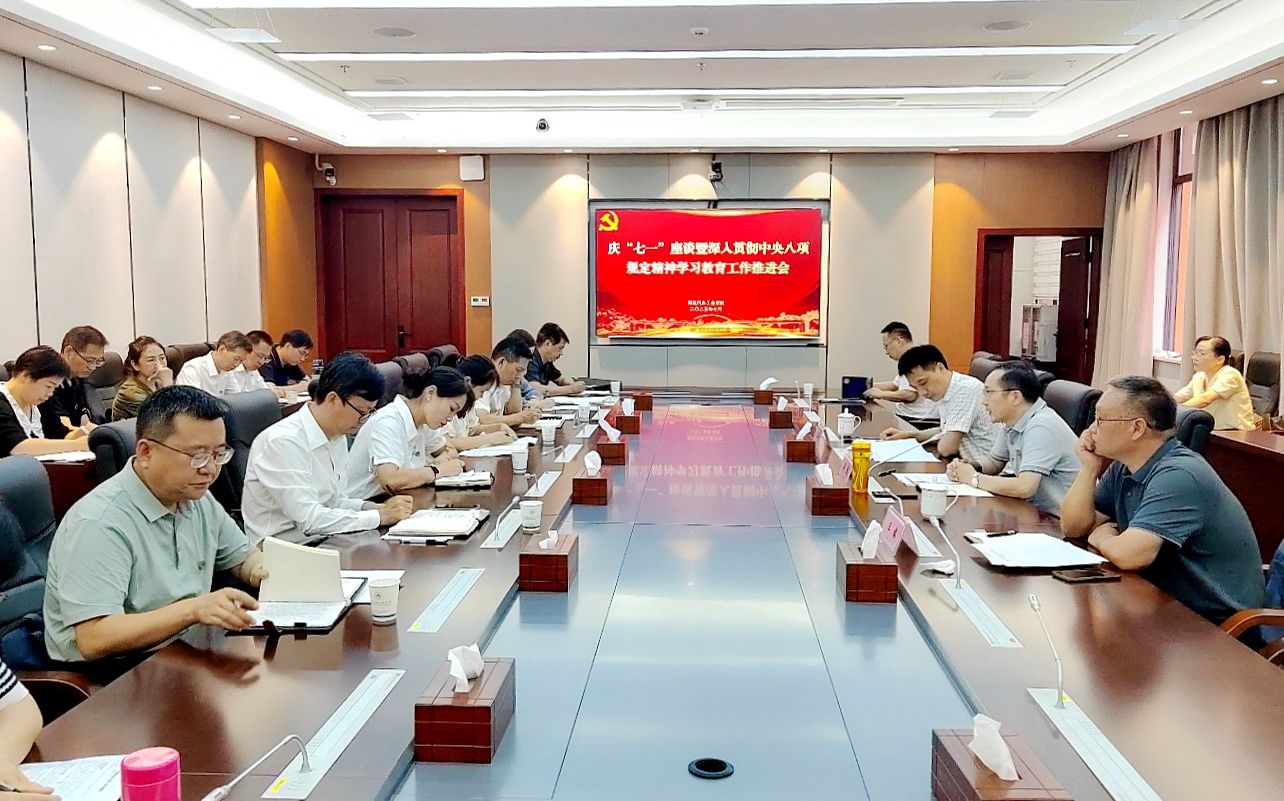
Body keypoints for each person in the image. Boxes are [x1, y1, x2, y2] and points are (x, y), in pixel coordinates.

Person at [42, 386, 269, 664]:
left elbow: (243, 558)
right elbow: (94, 638)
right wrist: (193, 610)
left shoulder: (194, 496)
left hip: (184, 649)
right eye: (197, 456)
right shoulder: (98, 522)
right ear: (146, 452)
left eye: (218, 454)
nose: (210, 469)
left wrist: (266, 572)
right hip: (117, 670)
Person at [1060, 376, 1266, 624]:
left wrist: (1103, 536)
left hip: (1216, 625)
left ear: (1137, 428)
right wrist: (1089, 468)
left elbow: (1131, 555)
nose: (1091, 429)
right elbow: (1073, 527)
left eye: (1100, 419)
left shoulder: (1179, 474)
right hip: (1161, 602)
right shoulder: (1124, 466)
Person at [241, 352, 414, 545]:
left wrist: (374, 508)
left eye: (369, 413)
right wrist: (379, 517)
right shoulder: (282, 442)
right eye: (361, 412)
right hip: (285, 551)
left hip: (326, 539)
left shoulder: (336, 435)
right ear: (332, 400)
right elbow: (309, 519)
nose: (363, 421)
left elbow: (333, 502)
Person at [946, 364, 1079, 515]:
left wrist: (973, 478)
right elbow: (994, 462)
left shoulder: (1041, 425)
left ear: (1015, 397)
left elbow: (1025, 487)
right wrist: (968, 466)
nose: (984, 401)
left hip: (1060, 520)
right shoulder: (1015, 420)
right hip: (1034, 511)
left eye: (989, 393)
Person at [346, 368, 470, 499]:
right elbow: (390, 480)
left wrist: (443, 459)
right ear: (430, 393)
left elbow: (449, 450)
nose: (451, 418)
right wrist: (437, 470)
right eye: (451, 409)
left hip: (401, 499)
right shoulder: (388, 421)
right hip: (368, 504)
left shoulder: (424, 422)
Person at [879, 345, 1000, 462]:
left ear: (940, 368)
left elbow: (946, 449)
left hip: (991, 470)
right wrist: (909, 435)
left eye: (923, 383)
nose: (922, 393)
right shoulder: (948, 390)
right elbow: (945, 430)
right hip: (970, 464)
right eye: (915, 388)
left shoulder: (965, 390)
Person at [2, 347, 96, 458]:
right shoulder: (3, 402)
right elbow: (18, 447)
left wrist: (86, 432)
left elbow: (60, 434)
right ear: (26, 376)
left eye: (54, 388)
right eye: (48, 386)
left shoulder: (38, 401)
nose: (50, 393)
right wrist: (77, 445)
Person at [39, 325, 109, 439]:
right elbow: (64, 429)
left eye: (98, 361)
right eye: (89, 360)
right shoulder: (49, 381)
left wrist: (105, 431)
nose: (93, 367)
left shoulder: (76, 378)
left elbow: (83, 419)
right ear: (69, 352)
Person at [1173, 335, 1256, 431]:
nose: (1195, 358)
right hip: (1212, 430)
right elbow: (1178, 397)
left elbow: (1205, 399)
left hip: (1234, 433)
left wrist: (1176, 413)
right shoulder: (1199, 376)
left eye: (1201, 354)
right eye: (1195, 353)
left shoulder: (1230, 375)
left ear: (1220, 359)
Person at [864, 321, 938, 426]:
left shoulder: (915, 359)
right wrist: (866, 385)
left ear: (898, 341)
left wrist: (881, 394)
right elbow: (895, 385)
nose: (886, 352)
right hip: (909, 418)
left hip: (918, 421)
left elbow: (910, 395)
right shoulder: (908, 359)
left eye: (886, 346)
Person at [445, 355, 520, 451]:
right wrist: (489, 439)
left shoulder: (468, 403)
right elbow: (446, 443)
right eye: (482, 391)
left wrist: (498, 427)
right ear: (469, 383)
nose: (481, 396)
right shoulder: (446, 401)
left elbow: (473, 430)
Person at [477, 337, 541, 428]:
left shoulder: (504, 381)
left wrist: (516, 382)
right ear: (501, 362)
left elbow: (513, 412)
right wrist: (520, 418)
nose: (520, 376)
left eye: (523, 371)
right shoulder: (481, 378)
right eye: (518, 370)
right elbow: (482, 419)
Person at [112, 336, 173, 421]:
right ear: (135, 365)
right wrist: (168, 385)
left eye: (162, 358)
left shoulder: (158, 383)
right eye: (151, 360)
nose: (159, 364)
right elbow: (163, 420)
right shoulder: (129, 392)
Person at [175, 330, 251, 397]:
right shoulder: (193, 369)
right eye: (236, 359)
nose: (237, 365)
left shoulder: (227, 371)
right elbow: (194, 404)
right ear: (222, 349)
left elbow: (237, 398)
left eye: (241, 361)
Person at [527, 323, 584, 398]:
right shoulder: (530, 358)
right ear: (547, 344)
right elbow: (534, 389)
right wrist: (570, 389)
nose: (561, 353)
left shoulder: (547, 362)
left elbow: (561, 380)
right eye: (560, 348)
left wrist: (574, 385)